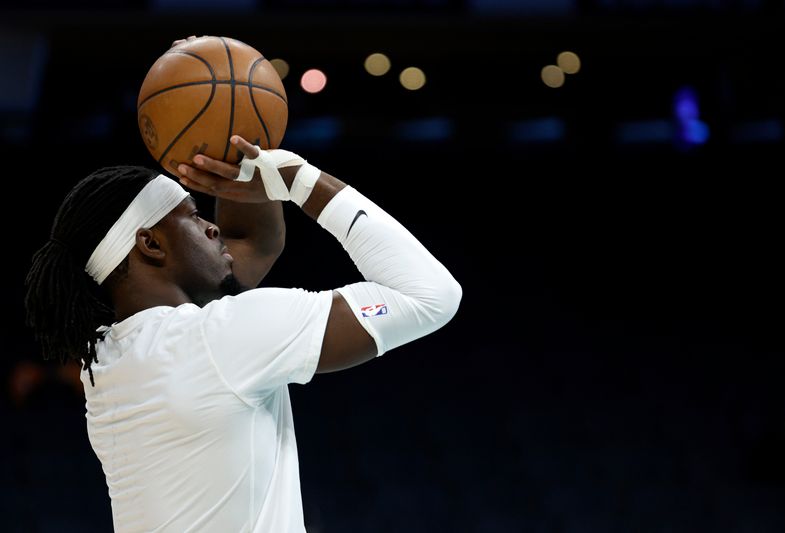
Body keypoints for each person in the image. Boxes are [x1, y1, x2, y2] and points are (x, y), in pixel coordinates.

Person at [24, 135, 461, 532]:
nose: (212, 228)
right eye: (193, 218)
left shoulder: (104, 358)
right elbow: (431, 296)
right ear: (150, 244)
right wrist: (297, 180)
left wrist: (237, 149)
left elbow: (251, 242)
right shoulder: (217, 339)